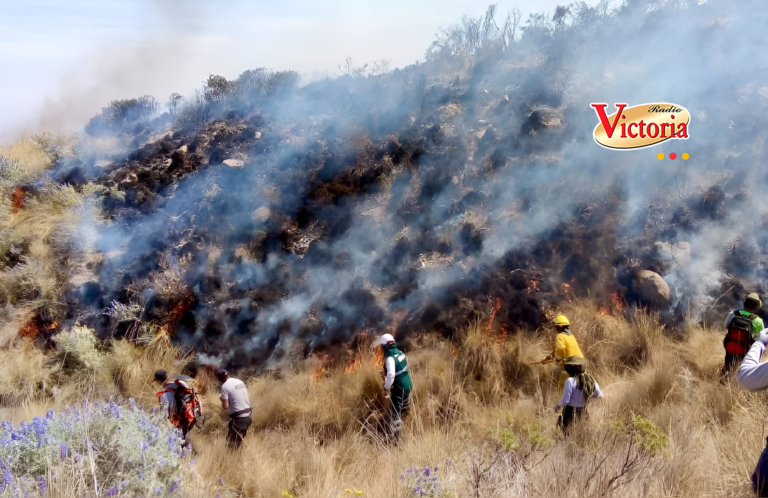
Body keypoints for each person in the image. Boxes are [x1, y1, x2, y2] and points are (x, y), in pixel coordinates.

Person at [737, 328, 768, 496]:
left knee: (761, 485)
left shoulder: (734, 316)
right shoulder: (756, 320)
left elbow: (745, 377)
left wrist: (760, 343)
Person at [538, 315, 585, 395]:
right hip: (582, 364)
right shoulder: (571, 336)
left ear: (560, 326)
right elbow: (557, 350)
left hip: (571, 364)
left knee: (563, 385)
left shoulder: (560, 336)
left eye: (556, 327)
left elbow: (560, 350)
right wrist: (547, 358)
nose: (555, 329)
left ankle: (564, 405)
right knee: (577, 385)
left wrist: (558, 358)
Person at [555, 356, 602, 434]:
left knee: (566, 434)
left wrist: (558, 406)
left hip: (569, 412)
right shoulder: (590, 379)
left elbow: (566, 399)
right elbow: (599, 395)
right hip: (583, 411)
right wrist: (588, 392)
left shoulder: (570, 381)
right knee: (582, 433)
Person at [381, 333, 413, 442]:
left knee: (395, 413)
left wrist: (386, 387)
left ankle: (396, 439)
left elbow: (391, 375)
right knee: (403, 408)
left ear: (384, 346)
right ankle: (407, 429)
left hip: (399, 388)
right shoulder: (400, 353)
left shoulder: (390, 358)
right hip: (408, 384)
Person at [723, 293, 764, 376]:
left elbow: (725, 326)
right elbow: (760, 339)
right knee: (741, 368)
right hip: (745, 350)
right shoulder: (758, 321)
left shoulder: (733, 314)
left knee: (728, 364)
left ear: (744, 304)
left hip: (730, 346)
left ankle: (724, 376)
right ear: (755, 307)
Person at [217, 369, 252, 449]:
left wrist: (222, 399)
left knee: (232, 446)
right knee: (231, 439)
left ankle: (235, 460)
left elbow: (225, 406)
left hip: (240, 419)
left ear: (220, 379)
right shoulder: (239, 382)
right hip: (247, 417)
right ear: (228, 375)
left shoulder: (224, 386)